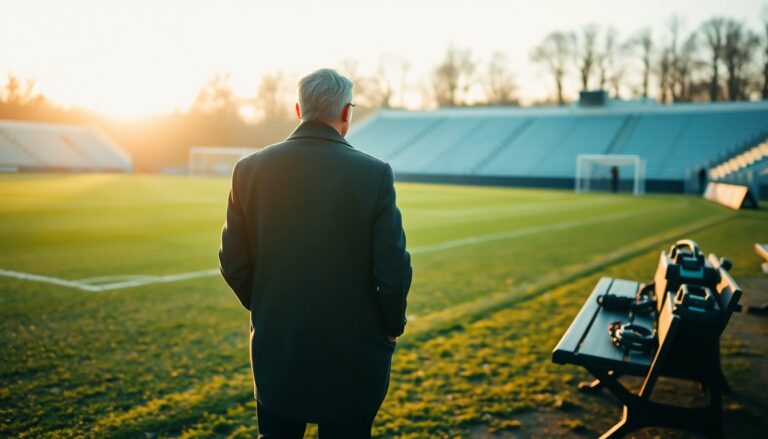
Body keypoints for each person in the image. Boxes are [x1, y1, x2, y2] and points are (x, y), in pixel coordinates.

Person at [218, 68, 412, 439]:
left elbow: (232, 263)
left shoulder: (248, 170)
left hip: (279, 351)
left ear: (298, 110)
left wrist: (268, 307)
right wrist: (392, 327)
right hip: (353, 357)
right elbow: (393, 272)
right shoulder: (373, 174)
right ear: (346, 113)